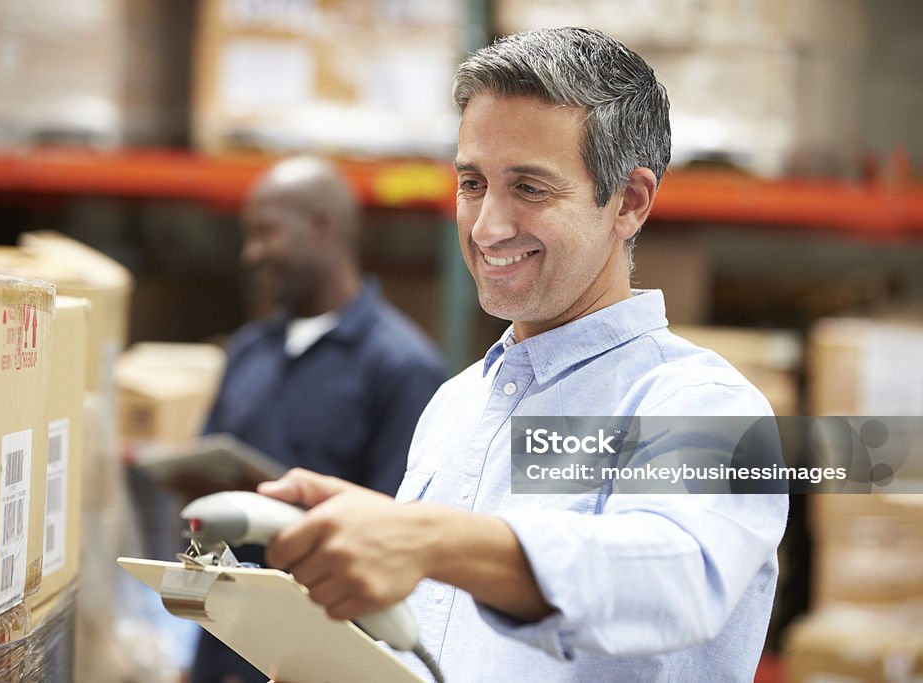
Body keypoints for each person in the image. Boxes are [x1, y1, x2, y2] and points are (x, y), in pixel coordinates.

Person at [254, 28, 788, 682]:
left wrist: (427, 540)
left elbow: (674, 575)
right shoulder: (455, 407)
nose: (486, 226)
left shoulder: (701, 406)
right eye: (473, 183)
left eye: (530, 188)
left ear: (629, 201)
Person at [190, 156, 447, 683]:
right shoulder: (248, 349)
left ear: (322, 227)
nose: (252, 253)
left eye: (265, 233)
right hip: (221, 641)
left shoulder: (402, 367)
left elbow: (397, 526)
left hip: (319, 648)